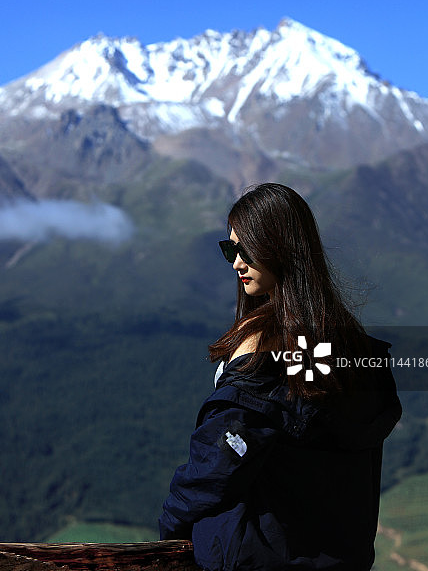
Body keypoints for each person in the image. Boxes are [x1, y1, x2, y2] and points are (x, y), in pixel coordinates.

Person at [159, 183, 401, 571]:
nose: (236, 263)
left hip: (259, 558)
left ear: (280, 246)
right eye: (229, 250)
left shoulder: (261, 351)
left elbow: (216, 465)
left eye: (246, 249)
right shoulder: (351, 351)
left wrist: (170, 528)